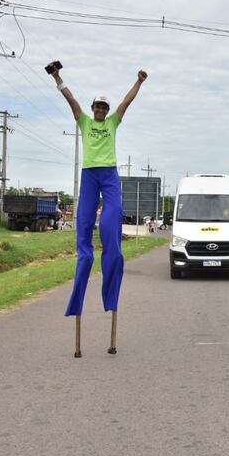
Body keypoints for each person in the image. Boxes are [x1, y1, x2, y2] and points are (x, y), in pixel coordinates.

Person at [49, 62, 147, 354]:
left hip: (109, 175)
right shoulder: (85, 122)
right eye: (99, 107)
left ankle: (112, 258)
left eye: (105, 107)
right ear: (93, 108)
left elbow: (126, 102)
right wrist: (57, 77)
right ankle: (84, 260)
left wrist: (139, 81)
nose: (102, 110)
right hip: (90, 175)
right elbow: (71, 100)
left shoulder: (113, 122)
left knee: (110, 223)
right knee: (84, 225)